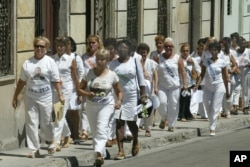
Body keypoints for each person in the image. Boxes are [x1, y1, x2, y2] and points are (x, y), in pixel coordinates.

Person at [12, 36, 64, 157]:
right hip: (30, 96)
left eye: (42, 46)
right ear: (34, 48)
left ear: (46, 48)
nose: (39, 48)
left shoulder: (50, 62)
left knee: (45, 122)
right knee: (31, 122)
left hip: (45, 96)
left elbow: (56, 80)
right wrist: (15, 96)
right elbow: (21, 81)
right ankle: (34, 149)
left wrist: (60, 94)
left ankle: (51, 141)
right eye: (37, 46)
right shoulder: (28, 63)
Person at [78, 49, 123, 167]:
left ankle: (98, 154)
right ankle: (101, 155)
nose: (100, 62)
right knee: (95, 131)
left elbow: (119, 91)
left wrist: (118, 101)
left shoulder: (112, 75)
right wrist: (87, 94)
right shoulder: (89, 73)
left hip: (106, 105)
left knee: (101, 128)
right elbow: (80, 88)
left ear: (107, 61)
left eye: (103, 60)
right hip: (91, 106)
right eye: (98, 59)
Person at [109, 38, 146, 160]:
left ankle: (135, 139)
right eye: (119, 48)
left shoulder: (135, 62)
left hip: (131, 96)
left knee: (130, 122)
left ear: (129, 50)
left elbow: (141, 80)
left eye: (124, 48)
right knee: (119, 122)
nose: (121, 50)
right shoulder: (113, 64)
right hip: (117, 96)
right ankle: (120, 151)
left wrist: (143, 95)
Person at [194, 41, 229, 136]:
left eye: (216, 50)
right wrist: (197, 85)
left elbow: (225, 77)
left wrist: (227, 91)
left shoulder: (222, 62)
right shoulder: (206, 61)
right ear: (209, 51)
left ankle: (212, 127)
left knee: (215, 107)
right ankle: (212, 121)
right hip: (208, 87)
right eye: (212, 50)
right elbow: (202, 74)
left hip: (219, 86)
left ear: (218, 51)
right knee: (208, 106)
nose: (214, 52)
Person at [52, 36, 79, 148]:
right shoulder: (52, 59)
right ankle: (67, 135)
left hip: (66, 90)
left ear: (66, 46)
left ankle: (56, 141)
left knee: (59, 115)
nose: (59, 48)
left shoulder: (70, 59)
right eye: (58, 45)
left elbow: (74, 76)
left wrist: (78, 91)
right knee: (58, 114)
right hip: (54, 89)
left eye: (62, 46)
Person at [157, 37, 187, 132]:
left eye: (170, 46)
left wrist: (185, 84)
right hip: (162, 85)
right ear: (164, 47)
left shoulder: (177, 58)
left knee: (173, 105)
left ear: (173, 47)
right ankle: (163, 118)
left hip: (174, 86)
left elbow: (183, 71)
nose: (168, 48)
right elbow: (154, 71)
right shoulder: (159, 57)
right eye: (166, 46)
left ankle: (171, 125)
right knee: (161, 103)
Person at [79, 35, 104, 140]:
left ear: (98, 43)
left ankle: (96, 130)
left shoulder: (101, 56)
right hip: (86, 84)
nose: (91, 45)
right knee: (84, 107)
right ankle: (84, 130)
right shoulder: (84, 57)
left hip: (98, 85)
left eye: (93, 42)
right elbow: (81, 71)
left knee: (97, 108)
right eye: (89, 43)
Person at [137, 43, 159, 137]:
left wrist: (155, 87)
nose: (143, 55)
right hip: (138, 89)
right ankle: (136, 126)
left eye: (145, 53)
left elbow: (155, 75)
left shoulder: (151, 63)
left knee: (147, 109)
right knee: (138, 108)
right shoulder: (135, 62)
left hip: (148, 90)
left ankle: (148, 129)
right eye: (141, 53)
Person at [65, 36, 85, 143]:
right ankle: (65, 136)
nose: (65, 47)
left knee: (74, 112)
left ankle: (75, 134)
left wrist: (79, 91)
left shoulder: (76, 57)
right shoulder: (57, 58)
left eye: (67, 44)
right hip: (63, 89)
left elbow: (81, 73)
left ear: (71, 46)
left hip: (74, 89)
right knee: (60, 113)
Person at [179, 43, 201, 121]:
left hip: (189, 83)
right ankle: (182, 115)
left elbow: (199, 71)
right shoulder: (179, 59)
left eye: (187, 51)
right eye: (184, 51)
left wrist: (197, 84)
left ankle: (186, 114)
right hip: (180, 82)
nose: (185, 53)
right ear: (181, 51)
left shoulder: (192, 60)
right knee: (183, 98)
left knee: (187, 98)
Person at [103, 37, 119, 147]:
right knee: (108, 115)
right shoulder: (104, 60)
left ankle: (112, 136)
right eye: (107, 49)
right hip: (106, 91)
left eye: (111, 49)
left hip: (117, 90)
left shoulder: (118, 61)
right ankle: (109, 137)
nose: (109, 51)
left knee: (114, 115)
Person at [190, 38, 208, 120]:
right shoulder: (194, 54)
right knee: (196, 94)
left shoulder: (207, 54)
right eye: (200, 45)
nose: (201, 47)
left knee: (203, 96)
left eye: (203, 45)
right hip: (195, 77)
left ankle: (204, 113)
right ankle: (193, 112)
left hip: (204, 77)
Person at [220, 39, 237, 118]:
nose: (221, 48)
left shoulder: (229, 54)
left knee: (227, 94)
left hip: (227, 77)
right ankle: (221, 111)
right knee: (220, 94)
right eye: (220, 47)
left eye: (223, 47)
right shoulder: (217, 55)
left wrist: (232, 70)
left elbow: (235, 64)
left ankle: (227, 111)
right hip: (219, 77)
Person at [235, 37, 250, 115]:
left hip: (246, 73)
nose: (243, 44)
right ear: (238, 44)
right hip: (237, 72)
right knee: (236, 90)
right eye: (241, 42)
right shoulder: (236, 52)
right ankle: (235, 106)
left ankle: (245, 106)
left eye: (244, 42)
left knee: (246, 90)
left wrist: (245, 65)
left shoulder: (248, 51)